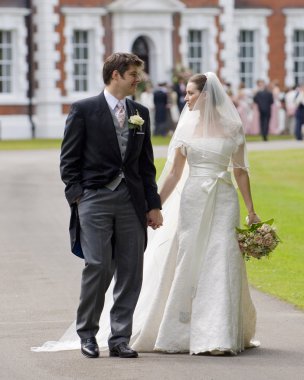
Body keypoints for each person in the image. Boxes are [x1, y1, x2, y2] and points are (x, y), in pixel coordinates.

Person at [32, 72, 260, 356]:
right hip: (191, 199)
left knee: (222, 257)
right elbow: (173, 172)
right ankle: (166, 330)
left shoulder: (232, 127)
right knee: (181, 259)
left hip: (224, 198)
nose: (185, 97)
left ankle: (219, 332)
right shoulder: (185, 127)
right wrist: (154, 207)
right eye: (186, 93)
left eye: (190, 93)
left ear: (206, 95)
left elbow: (240, 170)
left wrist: (251, 210)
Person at [58, 52, 162, 359]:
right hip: (94, 198)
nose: (137, 80)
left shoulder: (140, 111)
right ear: (115, 75)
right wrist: (79, 196)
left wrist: (153, 205)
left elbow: (146, 165)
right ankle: (88, 334)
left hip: (132, 201)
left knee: (131, 270)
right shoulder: (84, 109)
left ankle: (119, 338)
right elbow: (68, 160)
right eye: (132, 74)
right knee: (99, 266)